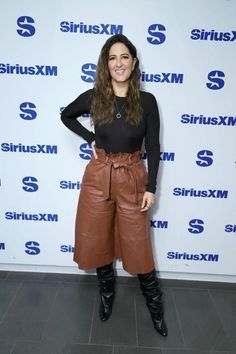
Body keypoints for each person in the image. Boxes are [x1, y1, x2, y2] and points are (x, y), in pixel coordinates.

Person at [61, 34, 168, 337]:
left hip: (133, 177)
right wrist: (90, 137)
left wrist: (151, 188)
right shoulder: (95, 96)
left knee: (139, 245)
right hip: (98, 177)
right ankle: (106, 295)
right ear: (105, 65)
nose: (118, 63)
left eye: (124, 57)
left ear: (134, 63)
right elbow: (66, 115)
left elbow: (154, 147)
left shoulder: (147, 101)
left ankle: (155, 306)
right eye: (112, 58)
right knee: (97, 241)